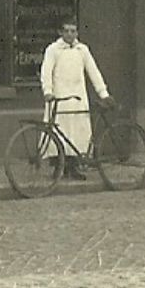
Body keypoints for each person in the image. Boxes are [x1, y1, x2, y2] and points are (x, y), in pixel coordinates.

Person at [40, 19, 112, 180]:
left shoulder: (82, 50)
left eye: (73, 31)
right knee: (59, 131)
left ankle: (74, 167)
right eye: (67, 31)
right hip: (59, 97)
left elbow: (93, 72)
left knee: (77, 133)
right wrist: (48, 91)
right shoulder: (53, 50)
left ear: (77, 33)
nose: (70, 34)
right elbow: (46, 72)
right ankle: (59, 167)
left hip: (78, 96)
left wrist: (103, 93)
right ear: (60, 32)